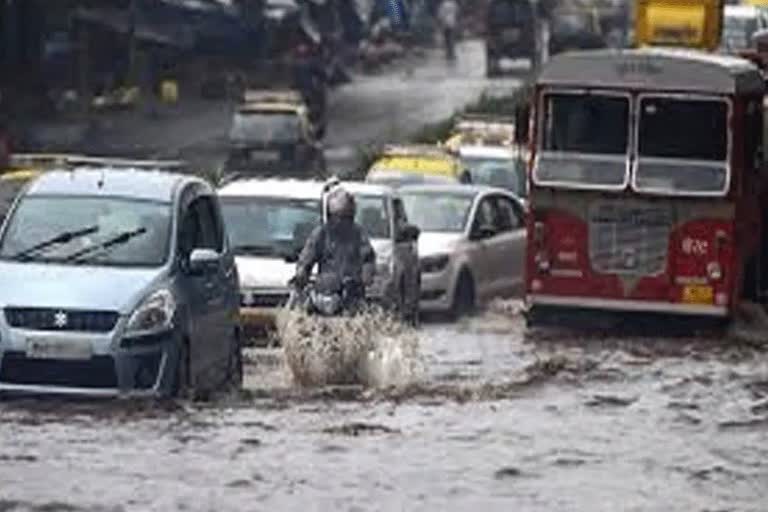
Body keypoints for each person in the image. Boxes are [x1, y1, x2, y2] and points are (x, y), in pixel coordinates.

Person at [293, 187, 375, 308]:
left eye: (345, 217)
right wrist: (302, 272)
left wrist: (366, 275)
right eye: (337, 216)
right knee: (303, 309)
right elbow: (307, 255)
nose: (340, 221)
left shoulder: (358, 234)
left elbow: (368, 257)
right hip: (324, 291)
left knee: (361, 314)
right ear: (329, 215)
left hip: (351, 293)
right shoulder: (321, 233)